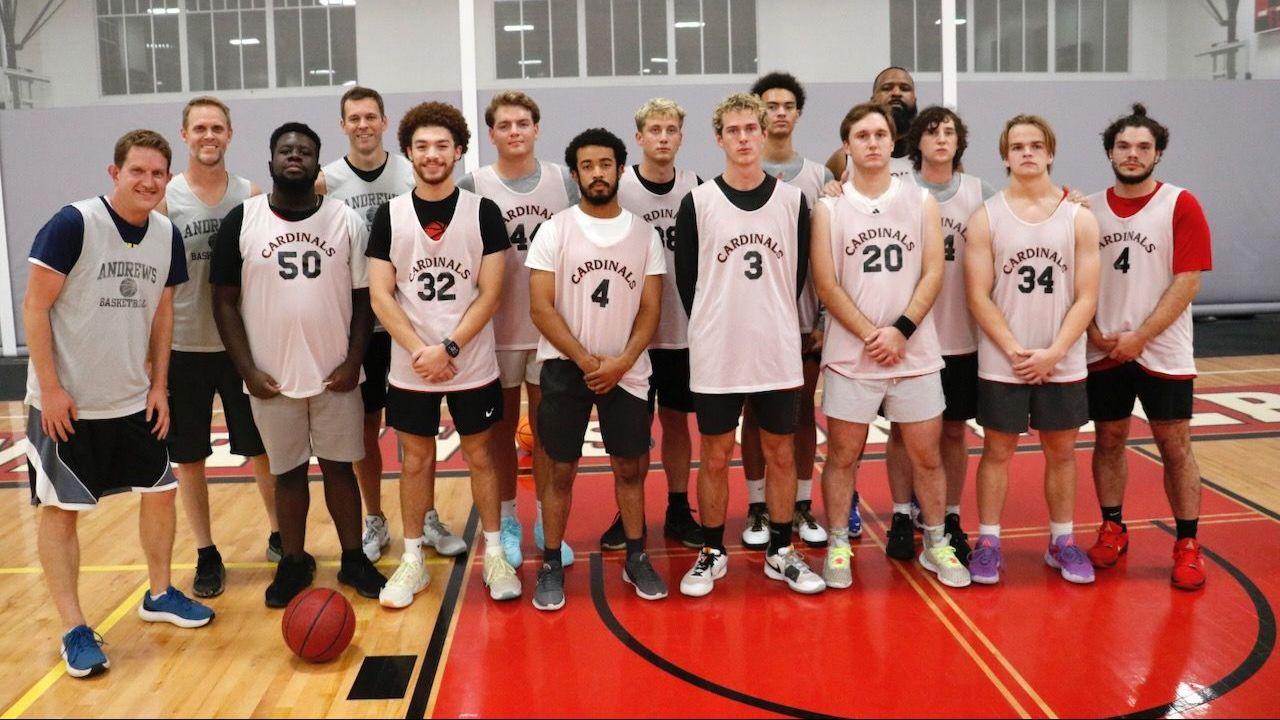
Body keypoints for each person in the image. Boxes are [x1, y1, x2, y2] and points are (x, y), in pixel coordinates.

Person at [25, 129, 213, 678]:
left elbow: (163, 312)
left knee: (161, 492)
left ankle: (159, 593)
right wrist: (51, 389)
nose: (148, 182)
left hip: (133, 398)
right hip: (70, 404)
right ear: (115, 173)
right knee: (62, 511)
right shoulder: (73, 224)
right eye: (138, 171)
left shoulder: (165, 233)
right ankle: (73, 628)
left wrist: (159, 385)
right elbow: (35, 307)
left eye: (158, 174)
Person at [211, 122, 386, 607]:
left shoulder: (345, 220)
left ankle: (353, 558)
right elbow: (223, 301)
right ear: (270, 161)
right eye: (286, 150)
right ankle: (293, 561)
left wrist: (354, 361)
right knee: (286, 473)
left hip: (335, 374)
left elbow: (365, 299)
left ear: (316, 163)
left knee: (340, 469)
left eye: (305, 151)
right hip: (271, 376)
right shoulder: (242, 220)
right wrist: (247, 370)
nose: (295, 156)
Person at [366, 102, 521, 607]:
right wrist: (421, 351)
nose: (432, 155)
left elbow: (491, 292)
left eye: (441, 145)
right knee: (414, 460)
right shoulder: (389, 215)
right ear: (408, 153)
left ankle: (494, 554)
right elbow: (380, 295)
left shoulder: (484, 212)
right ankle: (412, 560)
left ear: (458, 151)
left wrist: (450, 347)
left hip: (470, 360)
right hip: (412, 365)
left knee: (482, 455)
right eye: (422, 146)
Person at [812, 103, 970, 590]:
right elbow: (826, 283)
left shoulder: (920, 201)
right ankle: (838, 544)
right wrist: (870, 334)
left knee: (927, 456)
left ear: (893, 142)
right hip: (851, 356)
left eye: (880, 134)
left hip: (914, 353)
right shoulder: (829, 207)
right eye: (862, 135)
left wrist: (900, 329)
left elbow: (934, 272)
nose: (873, 143)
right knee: (843, 456)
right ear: (847, 145)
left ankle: (936, 542)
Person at [674, 93, 825, 597]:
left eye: (750, 129)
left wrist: (767, 318)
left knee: (780, 452)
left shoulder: (792, 202)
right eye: (733, 130)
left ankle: (781, 550)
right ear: (719, 139)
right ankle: (712, 551)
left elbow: (796, 277)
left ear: (763, 134)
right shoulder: (697, 202)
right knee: (715, 455)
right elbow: (689, 282)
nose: (743, 138)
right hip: (717, 351)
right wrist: (719, 323)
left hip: (775, 348)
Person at [527, 128, 667, 610]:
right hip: (567, 367)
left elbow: (651, 309)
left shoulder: (644, 234)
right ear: (575, 173)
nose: (597, 173)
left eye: (605, 164)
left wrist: (622, 361)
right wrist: (586, 360)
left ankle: (636, 555)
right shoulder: (555, 229)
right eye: (587, 166)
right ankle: (550, 562)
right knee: (559, 470)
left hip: (626, 369)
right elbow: (541, 308)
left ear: (620, 169)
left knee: (630, 467)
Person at [963, 114, 1100, 586]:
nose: (1027, 152)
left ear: (1050, 152)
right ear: (1005, 156)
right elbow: (978, 295)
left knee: (1062, 452)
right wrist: (1017, 351)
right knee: (996, 450)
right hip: (1005, 359)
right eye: (1017, 146)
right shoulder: (987, 216)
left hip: (1062, 358)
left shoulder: (1079, 217)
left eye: (1036, 145)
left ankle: (1061, 541)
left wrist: (1054, 352)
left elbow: (1087, 296)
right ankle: (988, 542)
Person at [1085, 104, 1213, 590]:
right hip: (1104, 348)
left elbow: (1188, 281)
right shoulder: (1087, 209)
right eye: (1123, 146)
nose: (1132, 154)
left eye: (1143, 147)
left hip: (1163, 349)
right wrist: (1093, 330)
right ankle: (1113, 527)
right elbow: (1078, 280)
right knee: (1108, 439)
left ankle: (1188, 543)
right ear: (1110, 152)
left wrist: (1140, 336)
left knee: (1174, 446)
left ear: (1158, 153)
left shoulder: (1181, 204)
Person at [159, 96, 277, 598]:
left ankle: (280, 534)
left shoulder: (250, 195)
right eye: (199, 128)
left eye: (217, 128)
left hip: (239, 346)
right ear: (184, 135)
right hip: (183, 347)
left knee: (262, 448)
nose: (208, 136)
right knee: (190, 457)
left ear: (229, 134)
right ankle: (206, 551)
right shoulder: (165, 198)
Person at [459, 91, 580, 568]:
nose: (514, 131)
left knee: (549, 433)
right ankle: (507, 518)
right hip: (496, 330)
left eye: (522, 123)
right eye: (505, 125)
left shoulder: (562, 181)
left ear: (536, 129)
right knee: (501, 433)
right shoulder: (473, 185)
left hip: (552, 329)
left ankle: (547, 521)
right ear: (491, 134)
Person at [876, 106, 997, 565]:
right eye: (932, 132)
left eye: (949, 131)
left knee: (952, 432)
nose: (941, 139)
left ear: (959, 141)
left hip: (961, 334)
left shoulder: (980, 193)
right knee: (901, 432)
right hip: (908, 336)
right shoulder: (898, 192)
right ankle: (900, 514)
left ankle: (948, 516)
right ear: (916, 143)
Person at [316, 86, 418, 563]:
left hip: (409, 320)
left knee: (416, 431)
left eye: (370, 117)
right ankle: (375, 516)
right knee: (365, 429)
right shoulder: (325, 181)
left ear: (384, 121)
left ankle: (425, 513)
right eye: (354, 118)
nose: (363, 125)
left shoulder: (410, 172)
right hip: (358, 326)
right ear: (343, 125)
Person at [737, 71, 835, 550]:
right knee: (755, 416)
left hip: (804, 319)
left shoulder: (821, 179)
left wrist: (822, 319)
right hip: (753, 322)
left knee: (800, 415)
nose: (779, 112)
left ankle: (800, 502)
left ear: (798, 113)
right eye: (770, 105)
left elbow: (833, 254)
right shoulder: (738, 175)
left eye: (787, 105)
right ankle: (758, 505)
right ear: (756, 112)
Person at [602, 97, 703, 551]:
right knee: (632, 432)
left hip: (682, 330)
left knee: (677, 423)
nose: (663, 138)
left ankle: (678, 509)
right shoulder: (619, 189)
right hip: (630, 334)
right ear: (639, 137)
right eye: (655, 130)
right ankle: (630, 515)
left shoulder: (697, 188)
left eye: (671, 130)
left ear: (681, 136)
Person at [825, 66, 917, 181]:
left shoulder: (928, 156)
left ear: (914, 99)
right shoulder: (844, 159)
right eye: (886, 88)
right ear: (873, 99)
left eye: (904, 88)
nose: (896, 93)